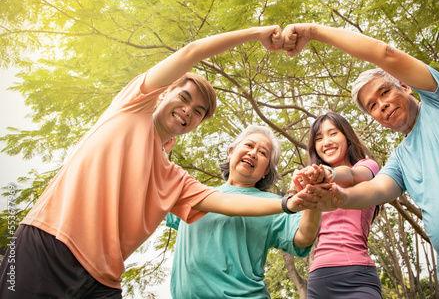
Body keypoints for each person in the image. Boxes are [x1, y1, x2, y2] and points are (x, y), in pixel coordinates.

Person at [0, 26, 319, 299]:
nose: (188, 111)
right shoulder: (131, 106)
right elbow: (193, 52)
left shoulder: (174, 180)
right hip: (47, 245)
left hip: (102, 281)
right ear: (164, 93)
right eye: (184, 98)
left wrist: (289, 204)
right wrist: (255, 34)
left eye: (198, 112)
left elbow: (227, 202)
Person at [282, 23, 439, 298]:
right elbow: (376, 190)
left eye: (384, 92)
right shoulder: (400, 157)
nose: (381, 105)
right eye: (372, 105)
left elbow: (385, 54)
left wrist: (313, 32)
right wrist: (339, 198)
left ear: (406, 86)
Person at [165, 125, 324, 298]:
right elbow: (150, 191)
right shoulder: (194, 193)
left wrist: (313, 197)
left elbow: (303, 237)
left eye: (263, 153)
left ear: (266, 171)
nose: (253, 153)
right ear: (231, 152)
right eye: (249, 145)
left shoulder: (274, 204)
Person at [292, 111, 382, 298]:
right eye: (319, 138)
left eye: (333, 133)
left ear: (347, 137)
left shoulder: (367, 166)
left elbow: (351, 175)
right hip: (319, 278)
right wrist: (300, 191)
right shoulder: (315, 185)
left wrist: (329, 173)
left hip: (357, 275)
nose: (326, 142)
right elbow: (303, 231)